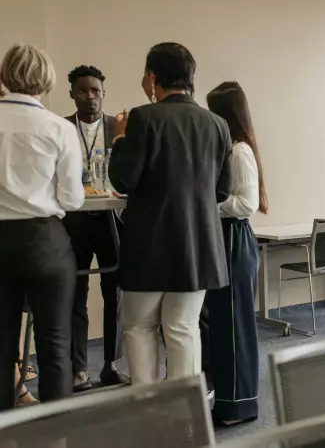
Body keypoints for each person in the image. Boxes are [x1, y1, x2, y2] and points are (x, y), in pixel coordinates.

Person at [109, 42, 232, 385]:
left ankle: (147, 409)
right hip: (197, 246)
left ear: (151, 77)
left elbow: (122, 178)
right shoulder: (218, 124)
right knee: (183, 328)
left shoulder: (142, 118)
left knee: (139, 327)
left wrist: (119, 140)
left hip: (149, 244)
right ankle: (184, 419)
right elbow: (221, 192)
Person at [0, 44, 84, 410]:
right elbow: (72, 200)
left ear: (5, 75)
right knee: (55, 346)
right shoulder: (59, 128)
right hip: (45, 241)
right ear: (47, 80)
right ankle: (56, 437)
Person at [62, 65, 128, 391]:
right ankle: (78, 369)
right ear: (72, 93)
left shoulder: (118, 127)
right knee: (76, 294)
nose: (91, 97)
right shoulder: (60, 129)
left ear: (103, 93)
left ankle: (110, 364)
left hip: (110, 221)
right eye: (84, 91)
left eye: (96, 91)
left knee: (113, 292)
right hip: (73, 222)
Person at [206, 82, 266, 426]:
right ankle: (229, 402)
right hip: (224, 238)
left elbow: (246, 203)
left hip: (234, 239)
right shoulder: (227, 147)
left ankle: (238, 406)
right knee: (224, 325)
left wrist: (205, 206)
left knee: (234, 325)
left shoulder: (240, 150)